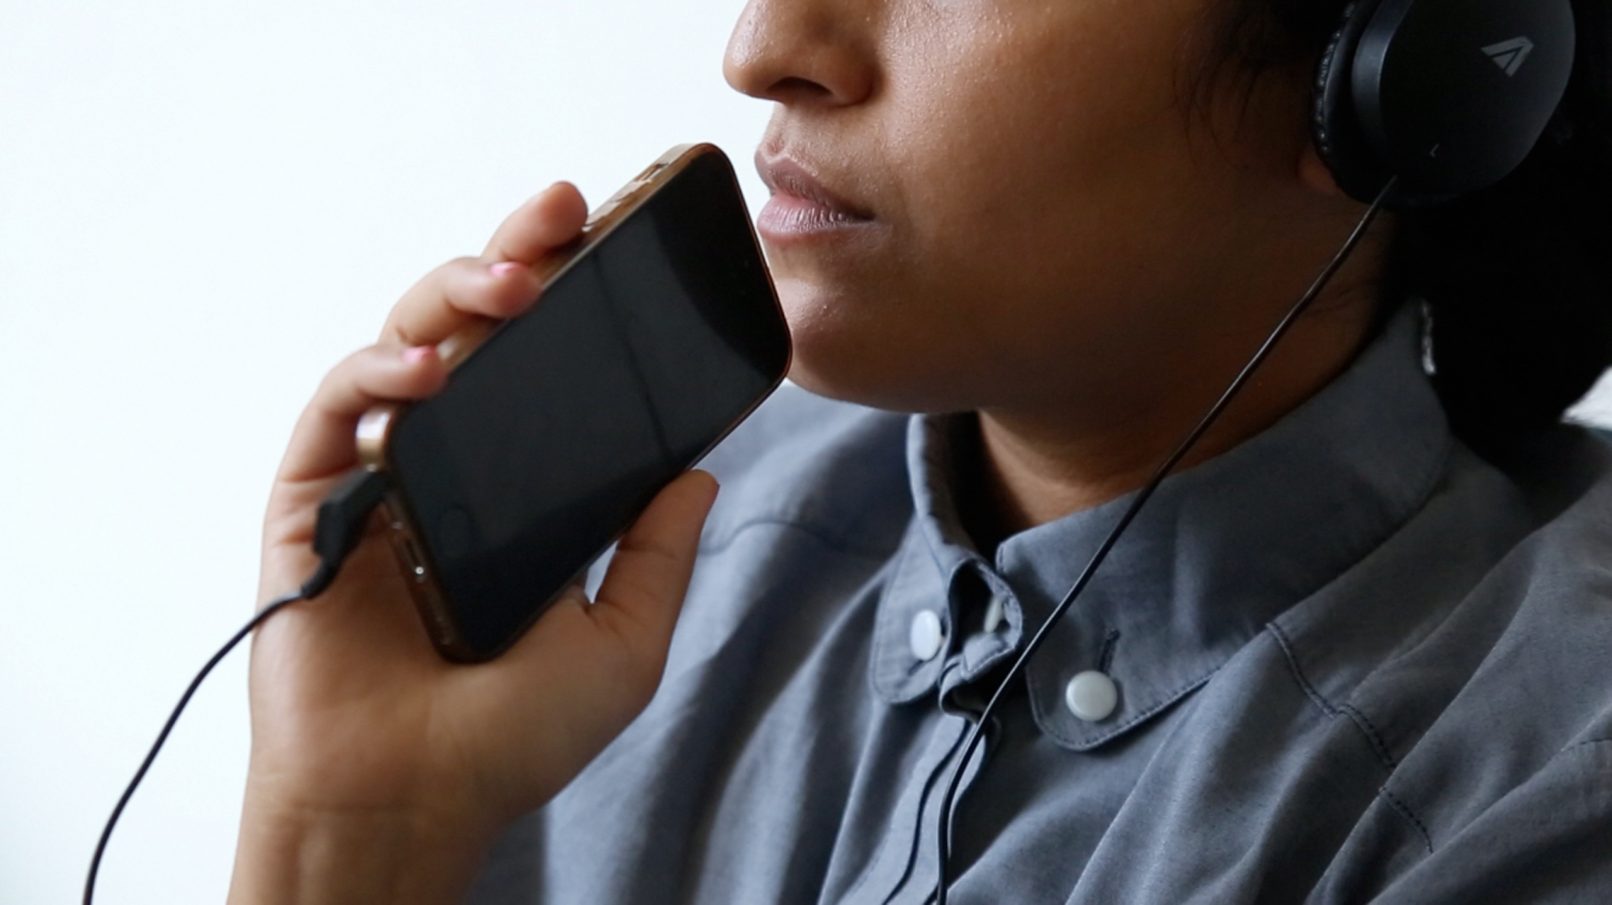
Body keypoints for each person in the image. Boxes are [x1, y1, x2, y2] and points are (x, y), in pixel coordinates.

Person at [228, 0, 1612, 901]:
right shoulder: (649, 531)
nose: (763, 45)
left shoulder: (1544, 792)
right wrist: (347, 826)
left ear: (1395, 73)